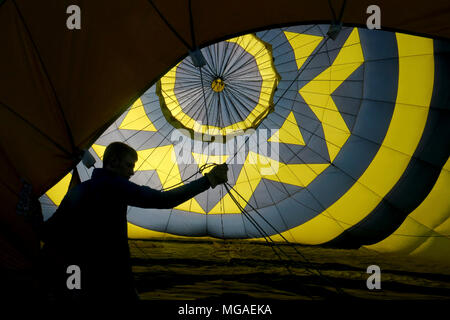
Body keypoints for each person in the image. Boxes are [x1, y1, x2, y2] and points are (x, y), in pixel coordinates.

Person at [40, 142, 228, 303]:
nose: (132, 172)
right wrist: (209, 180)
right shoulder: (114, 185)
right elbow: (164, 200)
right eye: (129, 166)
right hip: (111, 276)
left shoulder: (78, 190)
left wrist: (29, 211)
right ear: (114, 162)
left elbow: (48, 230)